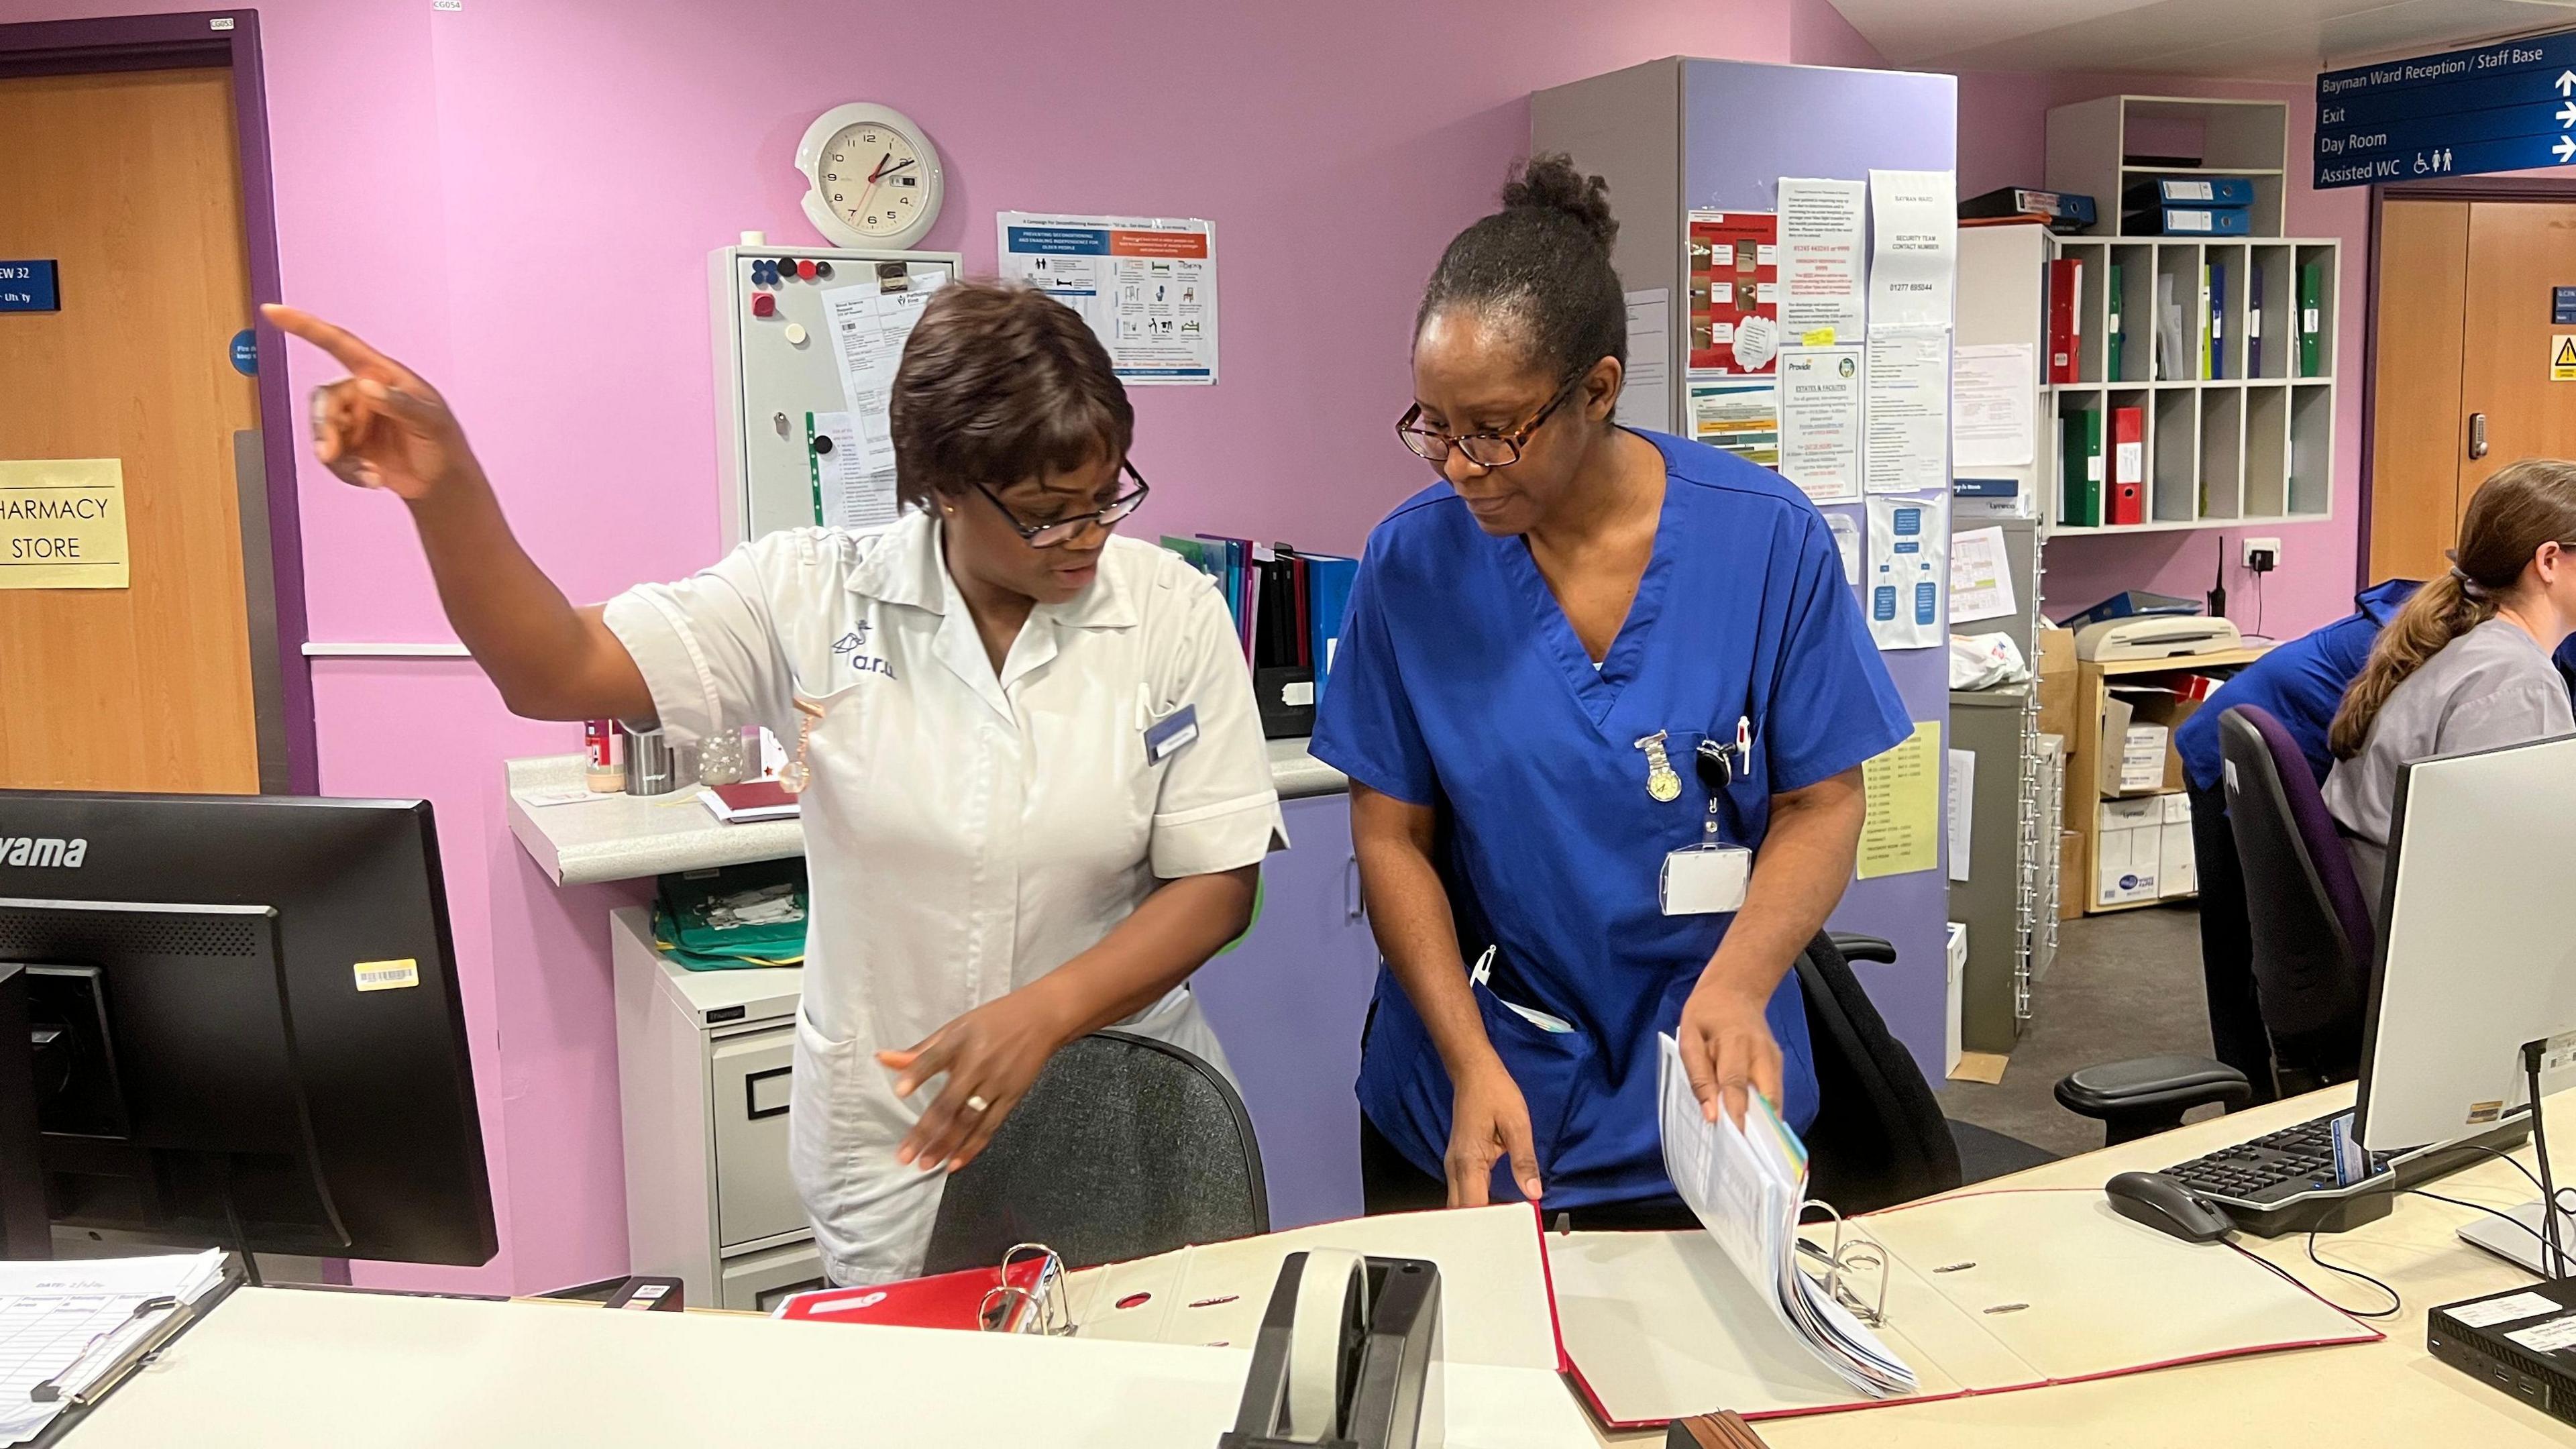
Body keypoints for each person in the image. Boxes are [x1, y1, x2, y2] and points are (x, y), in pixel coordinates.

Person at [264, 282, 1285, 1285]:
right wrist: (445, 490)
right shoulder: (811, 592)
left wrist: (1047, 1013)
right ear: (939, 487)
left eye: (1106, 498)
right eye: (1044, 516)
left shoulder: (1171, 611)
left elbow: (1217, 884)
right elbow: (553, 669)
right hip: (903, 1128)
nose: (1089, 537)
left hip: (1122, 1100)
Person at [1311, 156, 1908, 1224]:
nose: (1456, 465)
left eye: (1493, 428)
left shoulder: (1765, 539)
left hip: (1708, 1088)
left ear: (1598, 388)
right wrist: (1465, 1061)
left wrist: (1743, 977)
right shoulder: (1412, 565)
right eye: (1433, 425)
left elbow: (1824, 802)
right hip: (1478, 1092)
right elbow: (1390, 836)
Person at [2169, 578, 2417, 1103]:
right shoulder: (2453, 639)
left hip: (2258, 738)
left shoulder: (2445, 616)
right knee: (2243, 938)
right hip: (2228, 758)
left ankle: (2254, 1093)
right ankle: (2245, 1096)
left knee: (2249, 941)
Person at [2325, 459, 2576, 918]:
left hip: (2396, 911)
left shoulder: (2463, 642)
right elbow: (2520, 870)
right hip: (2432, 933)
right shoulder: (2518, 683)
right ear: (2548, 561)